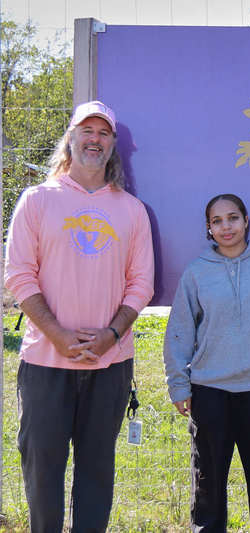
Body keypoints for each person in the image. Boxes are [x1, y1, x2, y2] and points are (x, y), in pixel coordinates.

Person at [4, 100, 154, 532]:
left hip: (110, 363)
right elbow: (18, 275)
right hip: (45, 363)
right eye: (86, 131)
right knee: (41, 471)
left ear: (113, 146)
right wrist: (56, 334)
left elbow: (141, 283)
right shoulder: (36, 200)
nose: (95, 139)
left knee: (96, 472)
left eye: (104, 133)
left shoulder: (131, 210)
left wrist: (110, 334)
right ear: (69, 139)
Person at [163, 193, 250, 532]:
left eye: (233, 218)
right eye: (217, 221)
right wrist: (178, 383)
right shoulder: (196, 273)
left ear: (246, 220)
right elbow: (179, 331)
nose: (226, 227)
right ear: (208, 228)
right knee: (208, 486)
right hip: (210, 393)